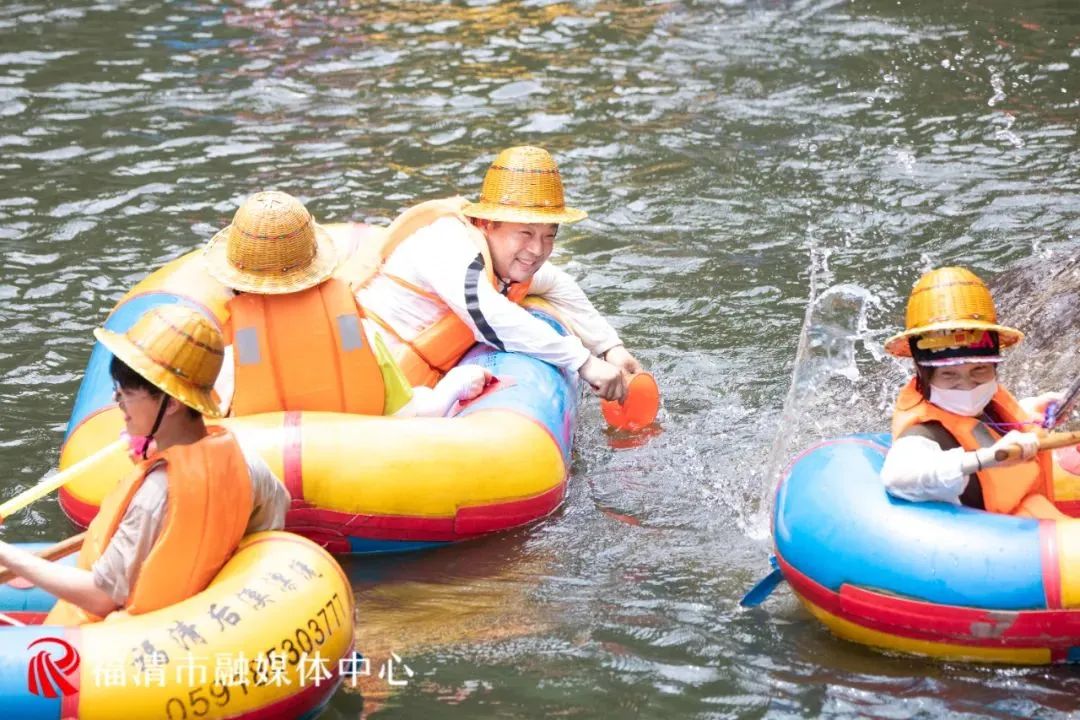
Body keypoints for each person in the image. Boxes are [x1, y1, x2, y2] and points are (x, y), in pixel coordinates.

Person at [0, 305, 291, 625]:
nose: (117, 402)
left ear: (172, 403)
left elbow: (101, 596)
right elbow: (277, 508)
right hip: (188, 617)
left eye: (126, 393)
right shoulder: (246, 463)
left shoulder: (154, 495)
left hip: (105, 644)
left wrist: (6, 553)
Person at [346, 146, 644, 401]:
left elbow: (556, 282)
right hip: (356, 369)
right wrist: (583, 362)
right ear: (487, 223)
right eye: (525, 232)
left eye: (549, 235)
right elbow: (491, 317)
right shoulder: (446, 244)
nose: (537, 249)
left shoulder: (499, 261)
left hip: (406, 383)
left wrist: (609, 347)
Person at [203, 190, 489, 419]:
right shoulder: (360, 331)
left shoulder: (228, 354)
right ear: (318, 272)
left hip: (270, 467)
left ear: (236, 285)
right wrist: (454, 386)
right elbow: (408, 413)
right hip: (361, 468)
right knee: (424, 400)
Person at [880, 266, 1067, 520]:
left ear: (994, 367)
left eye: (979, 370)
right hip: (1003, 544)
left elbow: (979, 429)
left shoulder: (985, 406)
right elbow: (897, 477)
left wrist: (1029, 413)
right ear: (925, 376)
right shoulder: (923, 436)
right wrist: (988, 458)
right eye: (949, 374)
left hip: (1036, 516)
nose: (967, 385)